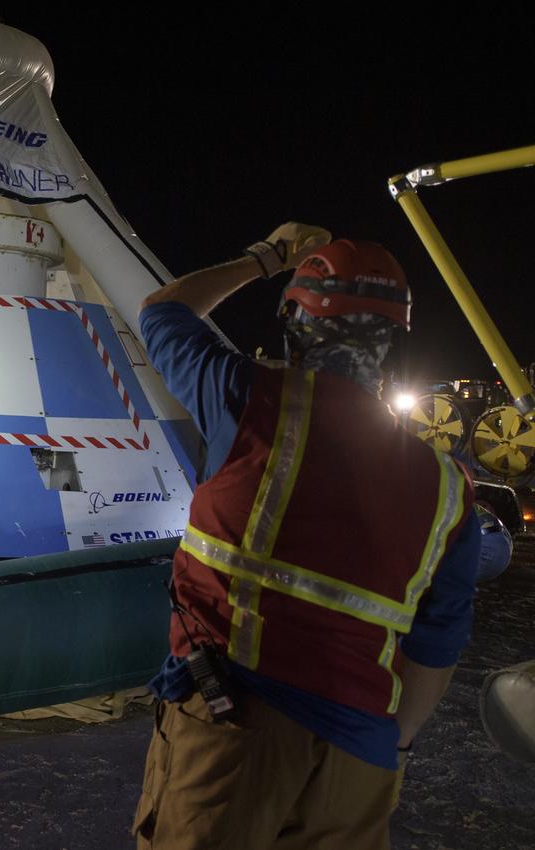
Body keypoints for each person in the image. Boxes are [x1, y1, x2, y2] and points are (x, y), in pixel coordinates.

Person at [131, 225, 480, 850]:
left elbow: (163, 309)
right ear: (392, 341)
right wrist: (388, 747)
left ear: (295, 323)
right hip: (362, 760)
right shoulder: (449, 490)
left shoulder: (246, 400)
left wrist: (264, 256)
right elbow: (438, 646)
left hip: (234, 732)